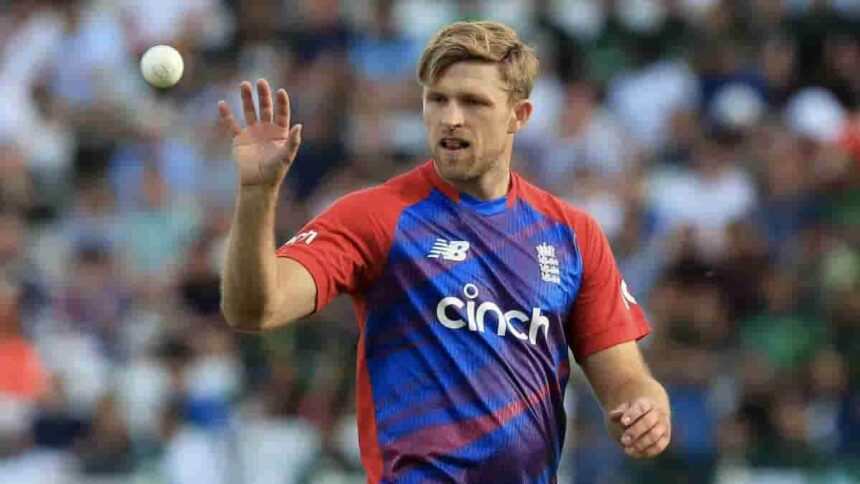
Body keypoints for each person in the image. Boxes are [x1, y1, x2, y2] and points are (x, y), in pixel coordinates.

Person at [219, 21, 671, 483]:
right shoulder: (376, 216)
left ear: (519, 115)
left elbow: (625, 381)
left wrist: (646, 407)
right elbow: (254, 308)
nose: (451, 118)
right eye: (437, 100)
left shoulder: (572, 235)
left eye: (473, 102)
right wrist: (257, 194)